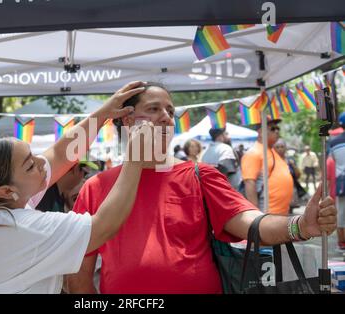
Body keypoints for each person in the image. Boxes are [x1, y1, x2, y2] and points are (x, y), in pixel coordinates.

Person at [67, 82, 337, 294]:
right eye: (153, 109)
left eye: (170, 111)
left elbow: (250, 223)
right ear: (126, 120)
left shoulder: (200, 175)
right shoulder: (96, 187)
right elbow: (79, 272)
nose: (166, 117)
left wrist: (299, 226)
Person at [0, 81, 151, 294]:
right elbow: (102, 227)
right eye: (30, 164)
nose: (41, 161)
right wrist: (135, 159)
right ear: (6, 190)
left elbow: (61, 154)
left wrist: (102, 113)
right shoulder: (18, 229)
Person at [241, 117, 293, 215]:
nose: (277, 131)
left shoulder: (271, 151)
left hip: (280, 213)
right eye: (273, 129)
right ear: (261, 132)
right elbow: (249, 183)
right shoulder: (254, 153)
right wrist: (256, 215)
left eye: (278, 128)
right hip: (266, 214)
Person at [274, 139, 306, 213]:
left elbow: (298, 175)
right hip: (276, 193)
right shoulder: (271, 160)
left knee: (289, 214)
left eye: (282, 147)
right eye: (277, 147)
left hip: (290, 192)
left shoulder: (290, 160)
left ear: (285, 148)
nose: (280, 149)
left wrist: (293, 166)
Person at [330, 112, 345, 250]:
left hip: (342, 181)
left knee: (341, 213)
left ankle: (342, 243)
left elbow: (333, 160)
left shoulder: (334, 142)